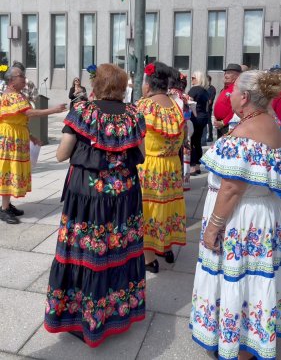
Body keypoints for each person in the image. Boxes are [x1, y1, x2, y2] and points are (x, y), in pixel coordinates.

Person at [44, 63, 146, 347]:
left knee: (85, 254)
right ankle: (115, 312)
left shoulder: (83, 111)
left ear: (97, 85)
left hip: (88, 198)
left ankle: (82, 318)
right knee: (118, 251)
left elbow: (62, 155)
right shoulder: (134, 113)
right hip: (124, 195)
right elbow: (142, 153)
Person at [190, 69, 281, 360]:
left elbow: (231, 189)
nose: (228, 96)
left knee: (238, 279)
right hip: (261, 216)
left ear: (244, 97)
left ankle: (239, 349)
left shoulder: (244, 134)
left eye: (232, 93)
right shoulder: (272, 123)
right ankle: (250, 343)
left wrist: (212, 227)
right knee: (253, 280)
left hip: (240, 220)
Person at [0, 66, 67, 224]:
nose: (24, 78)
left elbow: (18, 118)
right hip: (9, 138)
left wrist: (30, 136)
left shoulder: (17, 95)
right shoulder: (10, 96)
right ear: (11, 81)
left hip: (16, 135)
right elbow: (27, 113)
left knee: (13, 169)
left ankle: (7, 205)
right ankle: (3, 209)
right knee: (8, 170)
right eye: (20, 76)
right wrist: (53, 110)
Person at [137, 62, 186, 273]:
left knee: (148, 209)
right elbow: (185, 136)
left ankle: (149, 258)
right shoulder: (175, 105)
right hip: (172, 165)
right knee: (167, 207)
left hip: (150, 165)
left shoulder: (143, 106)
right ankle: (166, 247)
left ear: (148, 85)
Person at [168, 67, 193, 192]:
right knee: (180, 158)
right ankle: (180, 183)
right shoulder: (184, 97)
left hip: (170, 130)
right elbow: (187, 116)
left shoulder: (169, 95)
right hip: (182, 129)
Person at [188, 71, 209, 175]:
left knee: (191, 142)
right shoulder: (205, 91)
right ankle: (197, 166)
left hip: (194, 117)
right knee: (198, 142)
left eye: (193, 78)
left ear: (198, 79)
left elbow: (189, 103)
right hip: (203, 117)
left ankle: (192, 167)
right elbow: (207, 105)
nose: (191, 80)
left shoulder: (194, 89)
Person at [213, 63, 242, 138]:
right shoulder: (225, 88)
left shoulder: (236, 89)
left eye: (229, 73)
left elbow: (235, 109)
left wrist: (223, 122)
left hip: (228, 125)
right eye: (225, 73)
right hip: (220, 124)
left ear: (237, 76)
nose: (225, 75)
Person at [206, 74, 216, 142]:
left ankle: (210, 136)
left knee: (209, 123)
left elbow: (210, 101)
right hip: (203, 109)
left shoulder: (212, 88)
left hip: (208, 108)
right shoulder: (204, 88)